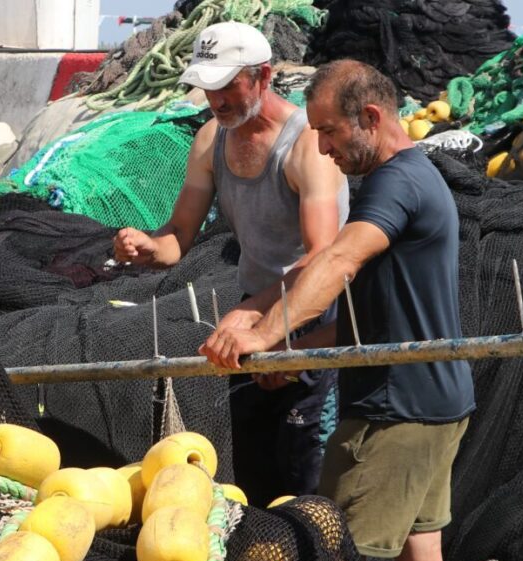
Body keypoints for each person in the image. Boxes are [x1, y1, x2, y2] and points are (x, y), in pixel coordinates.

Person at [200, 59, 475, 561]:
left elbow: (337, 260)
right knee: (422, 558)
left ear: (370, 118)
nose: (323, 149)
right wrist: (298, 351)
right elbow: (374, 320)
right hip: (441, 401)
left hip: (394, 414)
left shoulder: (395, 183)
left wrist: (263, 333)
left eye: (328, 131)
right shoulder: (417, 177)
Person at [113, 22, 349, 505]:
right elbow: (179, 236)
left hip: (314, 315)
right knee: (254, 467)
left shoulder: (305, 145)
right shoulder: (211, 141)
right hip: (252, 315)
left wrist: (265, 322)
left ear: (263, 76)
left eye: (227, 85)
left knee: (307, 471)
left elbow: (321, 257)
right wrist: (147, 246)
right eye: (208, 87)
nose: (216, 100)